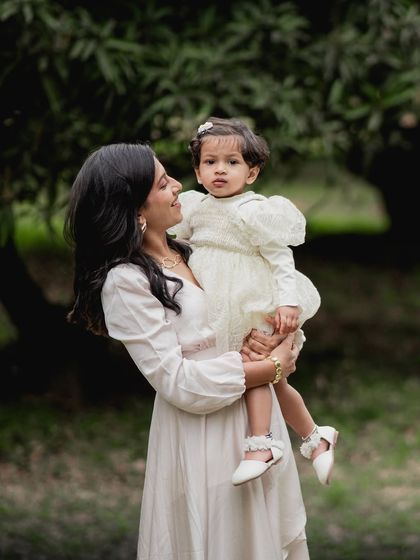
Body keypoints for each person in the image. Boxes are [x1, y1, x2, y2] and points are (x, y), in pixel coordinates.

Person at [64, 142, 311, 559]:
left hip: (253, 422)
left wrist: (273, 339)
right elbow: (178, 382)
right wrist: (268, 368)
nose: (179, 185)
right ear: (136, 208)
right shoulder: (127, 282)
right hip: (201, 433)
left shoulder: (190, 251)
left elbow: (244, 307)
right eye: (163, 183)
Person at [169, 117, 338, 487]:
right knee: (268, 380)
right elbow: (171, 245)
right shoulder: (194, 207)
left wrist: (288, 303)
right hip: (214, 303)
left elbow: (280, 260)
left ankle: (261, 444)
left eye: (232, 163)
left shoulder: (256, 210)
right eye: (210, 162)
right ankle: (314, 436)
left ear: (252, 172)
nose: (220, 170)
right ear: (197, 172)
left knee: (255, 368)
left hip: (250, 299)